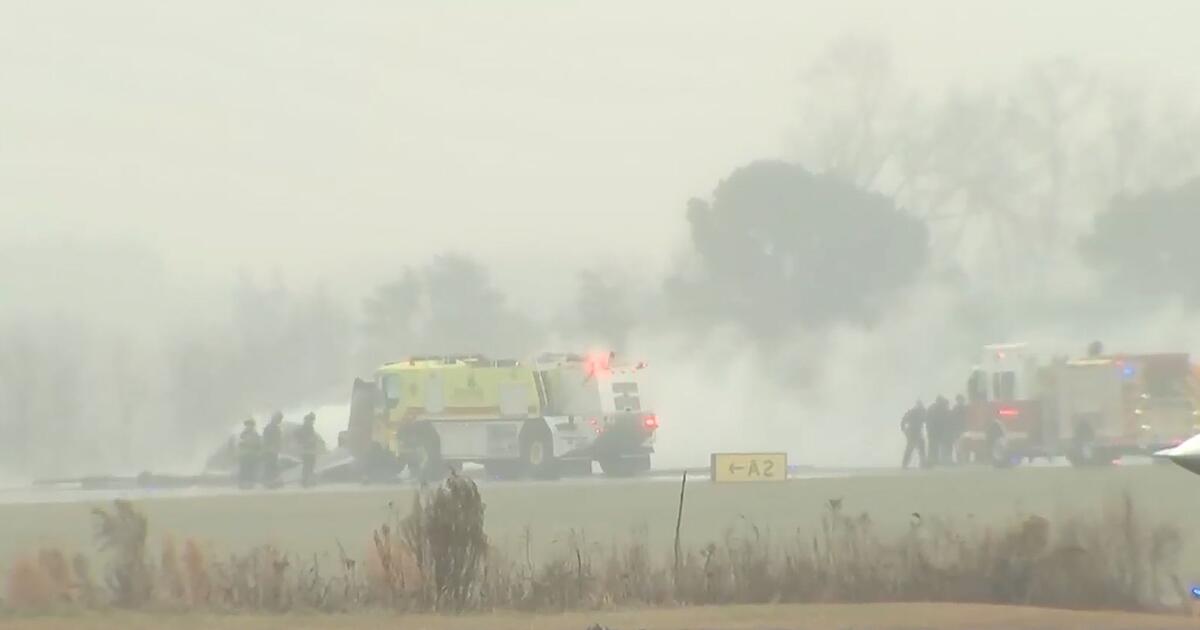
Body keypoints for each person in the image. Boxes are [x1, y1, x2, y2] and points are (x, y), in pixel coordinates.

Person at [296, 412, 321, 488]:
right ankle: (305, 481)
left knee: (309, 466)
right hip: (307, 450)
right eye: (312, 420)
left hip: (309, 450)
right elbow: (300, 437)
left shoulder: (308, 428)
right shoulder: (306, 428)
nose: (313, 422)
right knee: (308, 466)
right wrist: (308, 441)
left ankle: (307, 481)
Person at [900, 401, 927, 469]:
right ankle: (905, 464)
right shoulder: (913, 412)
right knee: (911, 448)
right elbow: (903, 421)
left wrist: (904, 430)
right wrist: (904, 430)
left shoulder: (920, 412)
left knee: (920, 447)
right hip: (912, 432)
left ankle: (922, 463)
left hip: (916, 432)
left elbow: (925, 420)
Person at [237, 418, 262, 489]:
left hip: (252, 455)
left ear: (253, 426)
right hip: (244, 455)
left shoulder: (255, 434)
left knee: (251, 470)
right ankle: (242, 484)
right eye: (248, 424)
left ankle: (250, 484)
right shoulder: (242, 434)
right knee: (244, 470)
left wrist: (257, 451)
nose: (249, 426)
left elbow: (258, 445)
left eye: (251, 425)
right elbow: (239, 444)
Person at [261, 411, 284, 488]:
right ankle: (269, 482)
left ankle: (271, 481)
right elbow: (268, 440)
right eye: (279, 419)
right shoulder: (271, 428)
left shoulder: (274, 428)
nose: (280, 421)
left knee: (272, 465)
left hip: (273, 450)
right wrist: (272, 447)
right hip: (270, 450)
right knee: (270, 466)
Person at [927, 396, 951, 466]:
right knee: (935, 447)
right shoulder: (938, 408)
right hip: (936, 431)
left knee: (934, 447)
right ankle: (935, 461)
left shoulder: (933, 408)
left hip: (935, 431)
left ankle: (934, 461)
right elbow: (943, 420)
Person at [949, 394, 968, 464]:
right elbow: (952, 419)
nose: (960, 401)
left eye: (961, 400)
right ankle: (959, 459)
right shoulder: (955, 408)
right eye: (959, 400)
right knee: (957, 445)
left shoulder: (965, 408)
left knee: (963, 444)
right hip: (957, 429)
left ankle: (964, 459)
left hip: (963, 429)